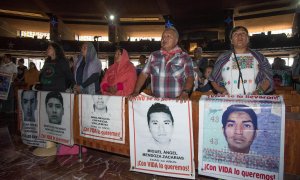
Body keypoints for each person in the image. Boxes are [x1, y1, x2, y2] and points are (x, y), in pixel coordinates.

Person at [132, 27, 194, 99]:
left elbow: (190, 77)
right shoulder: (154, 55)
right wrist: (136, 91)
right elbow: (144, 74)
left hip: (176, 101)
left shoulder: (184, 57)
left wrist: (185, 92)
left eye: (168, 36)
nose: (164, 39)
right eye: (163, 36)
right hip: (156, 101)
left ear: (176, 40)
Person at [209, 26, 274, 95]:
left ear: (248, 39)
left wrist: (259, 92)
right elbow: (213, 79)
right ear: (231, 41)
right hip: (228, 101)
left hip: (252, 102)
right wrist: (222, 90)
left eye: (243, 33)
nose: (239, 35)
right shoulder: (223, 58)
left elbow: (268, 78)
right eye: (235, 34)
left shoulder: (259, 58)